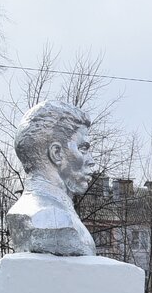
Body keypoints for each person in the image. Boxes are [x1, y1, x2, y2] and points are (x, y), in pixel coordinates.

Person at [6, 99, 97, 257]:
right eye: (83, 149)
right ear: (57, 153)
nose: (91, 161)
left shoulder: (62, 213)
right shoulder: (49, 217)